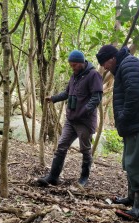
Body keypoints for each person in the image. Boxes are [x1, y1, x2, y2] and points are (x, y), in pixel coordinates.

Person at [96, 45, 139, 223]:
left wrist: (123, 117)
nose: (105, 67)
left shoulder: (130, 64)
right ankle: (132, 199)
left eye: (105, 63)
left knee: (138, 164)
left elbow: (135, 94)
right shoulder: (125, 65)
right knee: (131, 163)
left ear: (113, 58)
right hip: (134, 125)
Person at [37, 50, 103, 187]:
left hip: (84, 121)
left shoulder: (94, 75)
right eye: (71, 65)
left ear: (81, 63)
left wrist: (84, 110)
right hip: (71, 120)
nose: (72, 68)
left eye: (74, 65)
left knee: (85, 150)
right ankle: (53, 177)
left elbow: (96, 98)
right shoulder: (74, 76)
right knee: (61, 146)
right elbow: (67, 93)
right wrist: (53, 98)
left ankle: (84, 178)